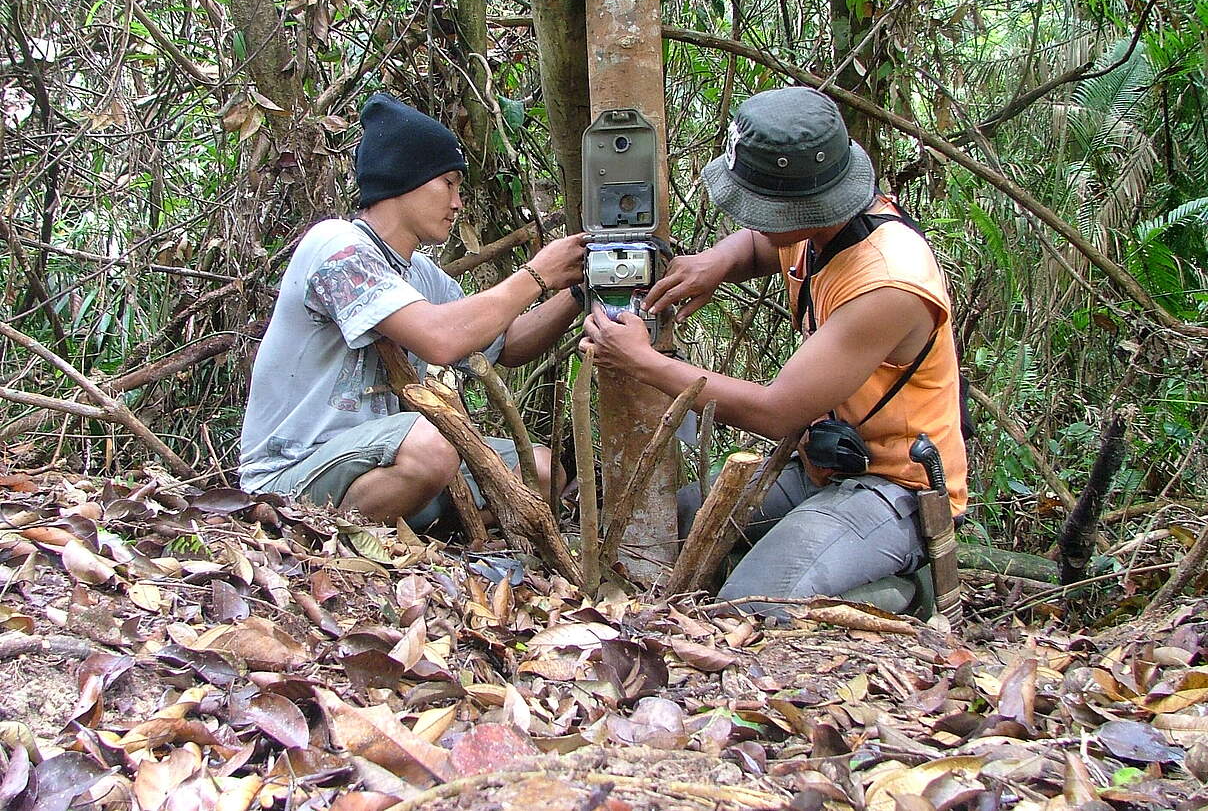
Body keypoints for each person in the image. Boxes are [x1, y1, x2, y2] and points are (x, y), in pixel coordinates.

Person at [582, 86, 967, 612]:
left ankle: (897, 596)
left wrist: (645, 363)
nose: (755, 220)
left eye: (764, 208)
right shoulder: (820, 225)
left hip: (893, 488)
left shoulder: (888, 283)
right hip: (822, 467)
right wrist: (712, 263)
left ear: (806, 205)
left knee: (754, 603)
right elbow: (760, 244)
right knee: (672, 525)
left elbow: (775, 411)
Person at [240, 92, 586, 527]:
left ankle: (428, 532)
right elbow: (440, 339)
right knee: (430, 447)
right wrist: (537, 274)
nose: (458, 202)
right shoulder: (336, 245)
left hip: (390, 462)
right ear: (403, 180)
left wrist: (578, 291)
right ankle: (323, 536)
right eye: (449, 183)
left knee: (539, 470)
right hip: (294, 473)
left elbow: (507, 343)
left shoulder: (421, 273)